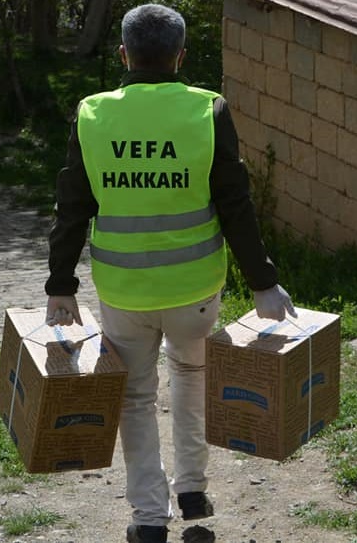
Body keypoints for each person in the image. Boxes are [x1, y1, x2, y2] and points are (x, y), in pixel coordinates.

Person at [44, 4, 296, 542]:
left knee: (135, 396)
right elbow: (236, 206)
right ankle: (193, 491)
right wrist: (263, 281)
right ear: (181, 56)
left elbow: (72, 205)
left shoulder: (93, 114)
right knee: (192, 377)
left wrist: (60, 284)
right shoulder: (208, 110)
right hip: (195, 288)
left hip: (122, 290)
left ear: (122, 55)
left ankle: (149, 519)